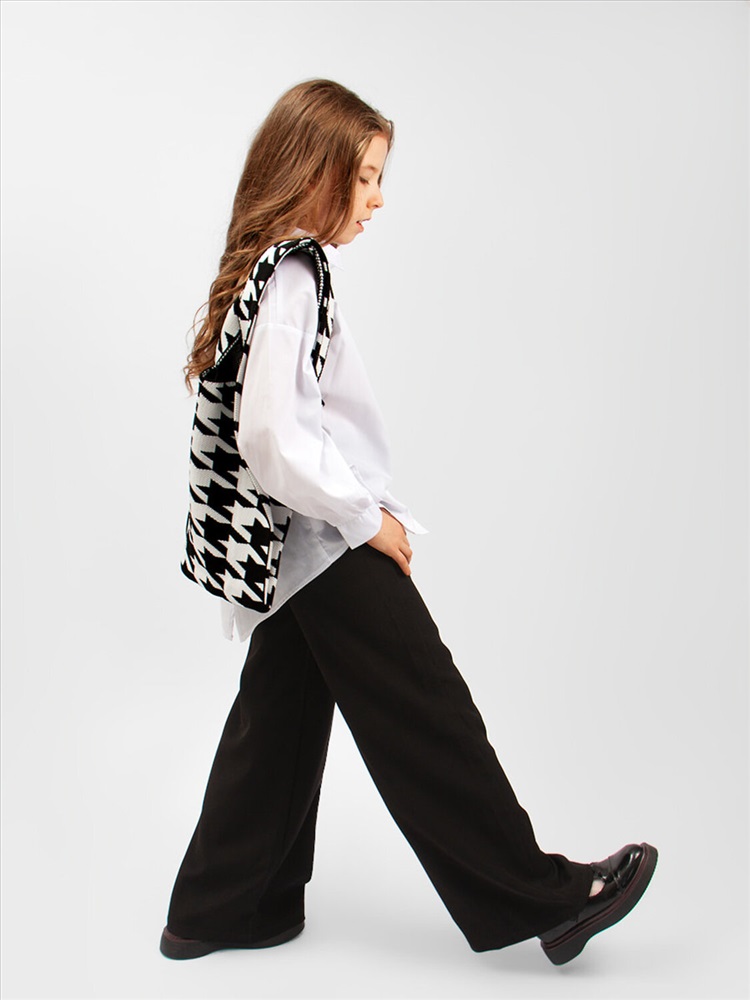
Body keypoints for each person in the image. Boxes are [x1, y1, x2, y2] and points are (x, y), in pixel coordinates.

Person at [160, 78, 657, 966]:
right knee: (428, 710)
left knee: (279, 714)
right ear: (315, 174)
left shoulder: (276, 267)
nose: (379, 198)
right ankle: (544, 899)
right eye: (366, 177)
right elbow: (273, 438)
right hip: (323, 541)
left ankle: (224, 906)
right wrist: (364, 520)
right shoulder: (295, 272)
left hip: (297, 547)